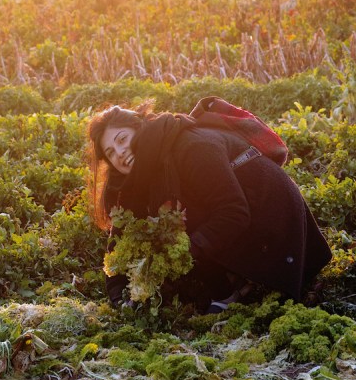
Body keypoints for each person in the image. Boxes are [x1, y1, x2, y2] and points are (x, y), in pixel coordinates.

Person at [86, 101, 331, 314]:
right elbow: (120, 240)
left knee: (177, 220)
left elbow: (234, 212)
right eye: (110, 152)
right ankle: (233, 280)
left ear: (140, 127)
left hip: (277, 226)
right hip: (246, 221)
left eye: (122, 139)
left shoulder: (191, 147)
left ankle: (234, 288)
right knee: (168, 222)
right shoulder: (141, 175)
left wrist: (186, 252)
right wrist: (118, 295)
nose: (120, 153)